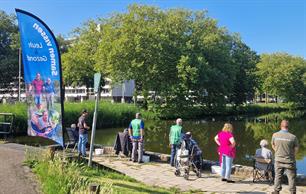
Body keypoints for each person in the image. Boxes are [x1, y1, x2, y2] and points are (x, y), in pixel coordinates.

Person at [271, 120, 299, 194]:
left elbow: (273, 145)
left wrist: (277, 151)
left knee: (278, 176)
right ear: (288, 126)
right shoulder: (293, 137)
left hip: (278, 160)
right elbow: (296, 149)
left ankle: (276, 191)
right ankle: (292, 192)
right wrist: (291, 155)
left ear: (281, 126)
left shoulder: (275, 135)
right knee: (291, 178)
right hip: (289, 161)